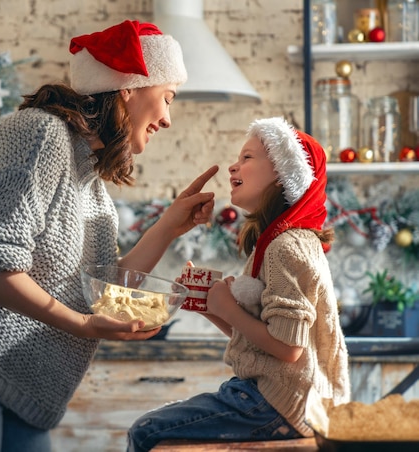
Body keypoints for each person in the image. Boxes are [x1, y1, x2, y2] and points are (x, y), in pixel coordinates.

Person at [0, 19, 219, 452]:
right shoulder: (40, 135)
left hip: (17, 383)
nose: (167, 119)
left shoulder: (90, 180)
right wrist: (83, 326)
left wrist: (170, 225)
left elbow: (101, 288)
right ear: (129, 87)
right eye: (167, 98)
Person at [127, 117, 351, 451]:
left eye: (247, 157)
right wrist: (209, 307)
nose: (233, 166)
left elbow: (289, 348)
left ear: (283, 171)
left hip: (281, 403)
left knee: (146, 431)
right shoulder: (281, 242)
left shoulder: (286, 247)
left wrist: (228, 307)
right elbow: (263, 342)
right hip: (286, 398)